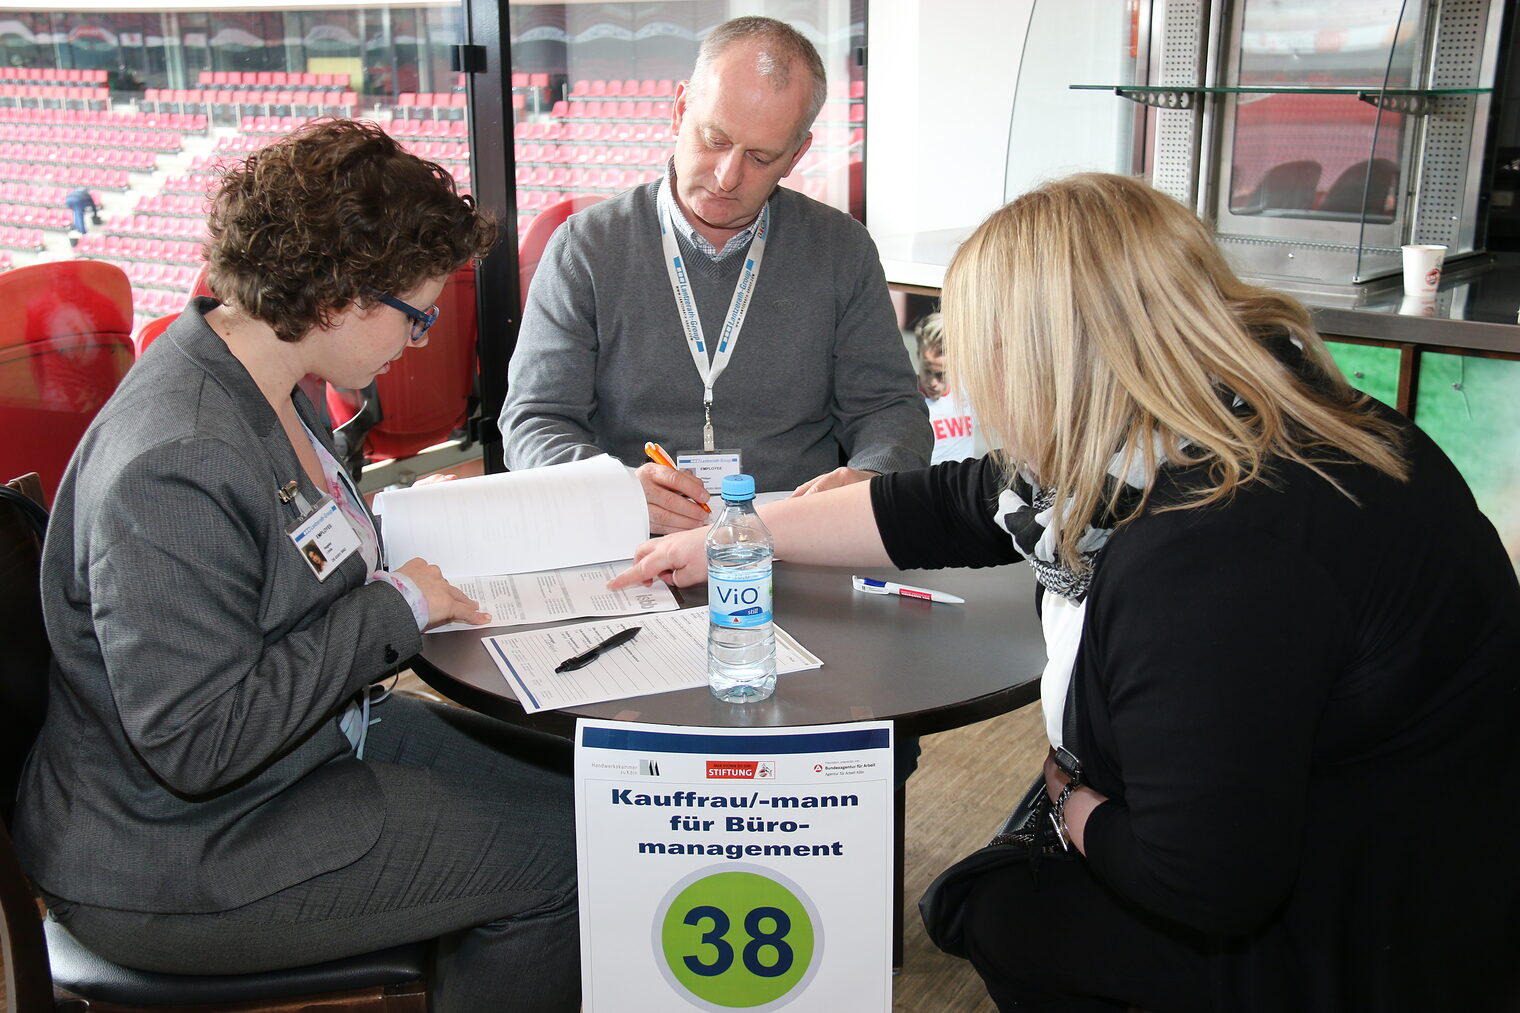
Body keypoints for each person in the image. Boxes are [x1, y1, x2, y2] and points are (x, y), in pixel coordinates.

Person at [610, 173, 1520, 1011]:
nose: (970, 383)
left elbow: (1202, 881)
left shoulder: (1209, 550)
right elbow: (955, 502)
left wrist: (1073, 803)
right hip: (1425, 826)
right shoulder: (1268, 418)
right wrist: (736, 534)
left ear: (1044, 360)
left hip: (1379, 927)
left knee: (990, 905)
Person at [14, 120, 580, 1012]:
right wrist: (394, 607)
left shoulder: (256, 369)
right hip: (183, 852)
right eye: (416, 313)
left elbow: (297, 560)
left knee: (591, 792)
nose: (424, 338)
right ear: (339, 296)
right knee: (570, 859)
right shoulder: (177, 460)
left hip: (307, 747)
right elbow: (200, 743)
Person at [501, 16, 930, 534]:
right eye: (714, 138)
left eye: (760, 157)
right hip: (633, 535)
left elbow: (890, 408)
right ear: (680, 108)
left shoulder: (840, 249)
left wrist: (871, 477)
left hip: (792, 537)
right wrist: (609, 490)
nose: (728, 177)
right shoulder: (586, 247)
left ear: (795, 155)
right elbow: (535, 422)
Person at [914, 311, 978, 464]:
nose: (933, 382)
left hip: (962, 485)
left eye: (941, 374)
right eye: (928, 371)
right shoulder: (907, 401)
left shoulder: (969, 391)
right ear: (918, 355)